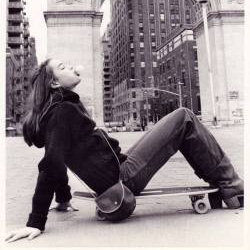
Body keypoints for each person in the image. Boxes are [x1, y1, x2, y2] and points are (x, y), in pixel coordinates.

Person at [5, 58, 244, 242]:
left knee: (180, 119)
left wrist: (64, 198)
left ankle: (224, 183)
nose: (71, 67)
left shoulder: (57, 110)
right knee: (184, 117)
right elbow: (52, 164)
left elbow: (56, 155)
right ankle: (231, 186)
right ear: (55, 83)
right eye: (63, 67)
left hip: (118, 168)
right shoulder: (63, 111)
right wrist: (35, 222)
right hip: (122, 178)